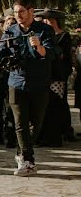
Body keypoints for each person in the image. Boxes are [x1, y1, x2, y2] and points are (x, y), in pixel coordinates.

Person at [1, 0, 55, 176]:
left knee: (36, 124)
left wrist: (38, 46)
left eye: (21, 11)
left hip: (39, 83)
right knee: (20, 122)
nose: (18, 15)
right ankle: (28, 161)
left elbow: (50, 54)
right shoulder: (10, 32)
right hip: (16, 82)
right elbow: (2, 55)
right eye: (15, 12)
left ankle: (21, 152)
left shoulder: (45, 30)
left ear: (31, 11)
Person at [37, 9, 73, 147]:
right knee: (44, 107)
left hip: (57, 77)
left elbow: (64, 57)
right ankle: (43, 136)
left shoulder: (64, 36)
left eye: (48, 20)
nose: (46, 22)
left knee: (56, 106)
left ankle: (54, 137)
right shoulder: (44, 36)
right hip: (44, 74)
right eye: (44, 20)